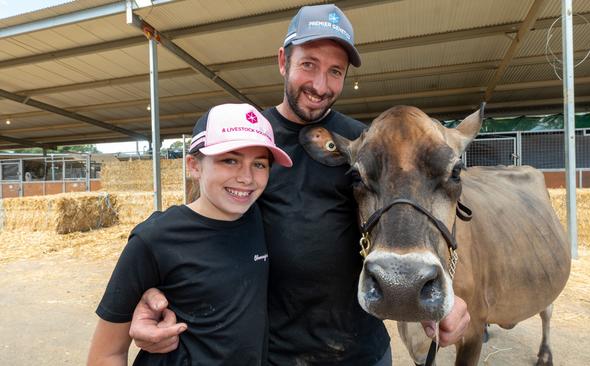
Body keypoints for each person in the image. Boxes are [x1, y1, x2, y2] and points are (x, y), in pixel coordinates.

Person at [129, 4, 470, 365]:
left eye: (335, 71)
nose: (320, 85)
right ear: (283, 61)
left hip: (361, 352)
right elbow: (198, 230)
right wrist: (153, 294)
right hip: (271, 354)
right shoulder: (244, 137)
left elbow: (418, 219)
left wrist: (449, 293)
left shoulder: (366, 143)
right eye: (308, 64)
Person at [86, 103, 292, 366]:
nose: (247, 178)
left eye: (260, 164)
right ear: (194, 166)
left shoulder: (258, 217)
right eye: (230, 160)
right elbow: (106, 354)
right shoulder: (154, 239)